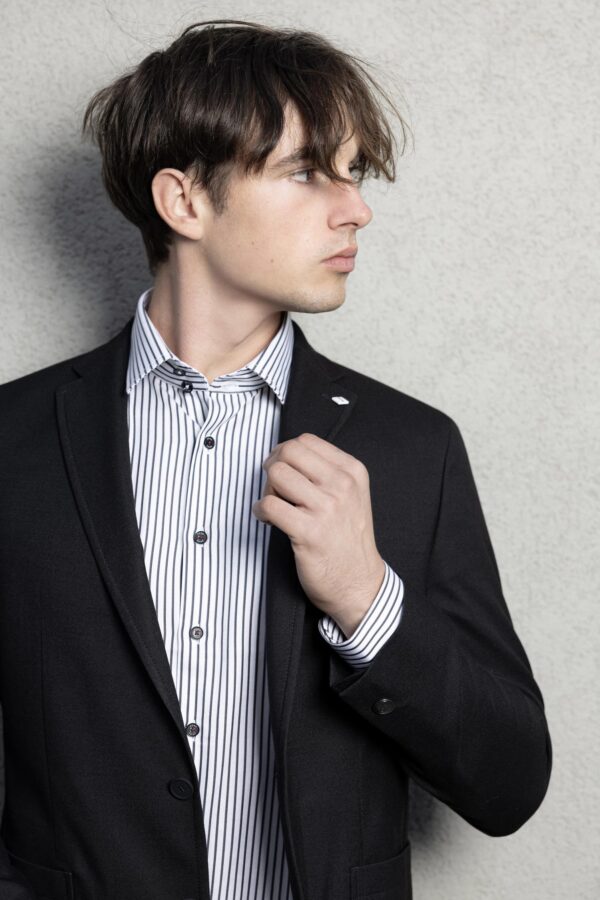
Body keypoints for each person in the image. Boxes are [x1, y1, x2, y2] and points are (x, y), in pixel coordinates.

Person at [0, 18, 552, 900]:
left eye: (354, 172)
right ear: (184, 202)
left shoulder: (413, 447)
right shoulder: (15, 440)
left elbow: (510, 783)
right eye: (306, 171)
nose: (356, 208)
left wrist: (367, 601)